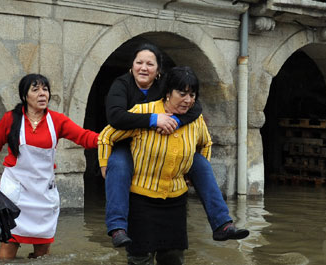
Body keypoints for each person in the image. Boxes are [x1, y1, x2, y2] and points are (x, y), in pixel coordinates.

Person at [103, 44, 248, 248]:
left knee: (202, 166)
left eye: (149, 64)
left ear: (159, 71)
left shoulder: (170, 87)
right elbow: (114, 119)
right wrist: (154, 120)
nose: (143, 68)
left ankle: (222, 224)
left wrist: (175, 121)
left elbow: (195, 111)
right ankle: (117, 227)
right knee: (118, 167)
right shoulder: (122, 85)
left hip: (169, 161)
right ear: (131, 67)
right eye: (139, 63)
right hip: (126, 139)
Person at [98, 66, 214, 264]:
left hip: (175, 200)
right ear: (168, 92)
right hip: (141, 199)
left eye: (192, 95)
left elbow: (206, 143)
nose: (188, 100)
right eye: (182, 93)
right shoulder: (144, 111)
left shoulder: (195, 120)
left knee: (173, 257)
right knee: (140, 258)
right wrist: (104, 167)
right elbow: (106, 136)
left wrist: (192, 173)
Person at [0, 73, 99, 260]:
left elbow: (84, 137)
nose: (42, 94)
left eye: (45, 89)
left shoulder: (57, 120)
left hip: (43, 193)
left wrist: (108, 139)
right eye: (35, 90)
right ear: (24, 96)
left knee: (42, 253)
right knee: (9, 245)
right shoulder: (10, 119)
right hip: (16, 191)